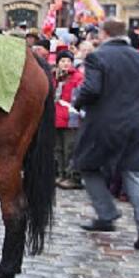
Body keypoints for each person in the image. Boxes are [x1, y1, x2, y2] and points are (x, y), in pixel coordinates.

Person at [74, 19, 139, 250]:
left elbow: (91, 89)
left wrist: (78, 100)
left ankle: (107, 213)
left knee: (87, 165)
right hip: (135, 123)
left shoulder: (97, 57)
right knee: (135, 174)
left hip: (103, 123)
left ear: (104, 33)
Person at [54, 49, 83, 190]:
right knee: (58, 148)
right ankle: (61, 173)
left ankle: (72, 176)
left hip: (71, 118)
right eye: (62, 61)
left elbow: (79, 97)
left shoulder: (78, 77)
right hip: (56, 117)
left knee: (70, 148)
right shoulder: (55, 77)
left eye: (68, 61)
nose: (65, 64)